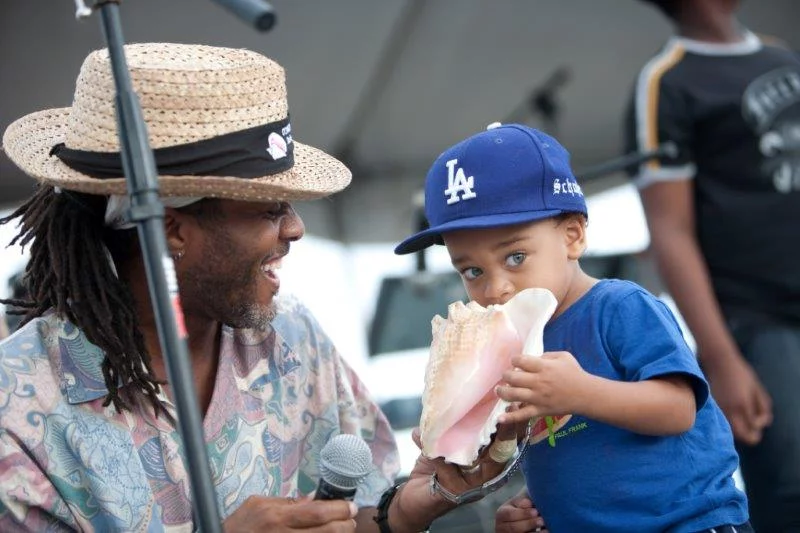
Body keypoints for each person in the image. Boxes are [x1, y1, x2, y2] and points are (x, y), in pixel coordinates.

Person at [0, 43, 519, 532]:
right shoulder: (18, 407)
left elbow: (353, 514)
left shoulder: (291, 334)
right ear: (171, 229)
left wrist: (405, 509)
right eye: (270, 209)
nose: (295, 228)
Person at [394, 123, 751, 532]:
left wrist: (580, 392)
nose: (496, 288)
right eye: (473, 271)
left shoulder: (619, 307)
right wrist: (531, 508)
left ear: (572, 236)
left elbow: (679, 409)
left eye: (515, 257)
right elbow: (567, 456)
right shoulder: (506, 348)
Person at [624, 1, 800, 530]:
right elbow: (670, 231)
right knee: (791, 484)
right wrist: (721, 359)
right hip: (755, 321)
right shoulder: (666, 82)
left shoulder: (780, 56)